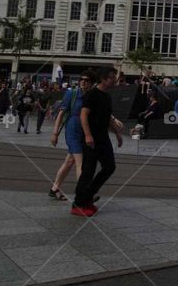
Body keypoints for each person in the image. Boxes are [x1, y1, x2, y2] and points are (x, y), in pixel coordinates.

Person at [72, 67, 123, 217]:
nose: (115, 79)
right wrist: (88, 135)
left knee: (110, 166)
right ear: (103, 78)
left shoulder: (106, 97)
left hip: (103, 138)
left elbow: (108, 118)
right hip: (91, 139)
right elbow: (83, 115)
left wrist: (118, 134)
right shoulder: (92, 94)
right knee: (88, 170)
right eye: (112, 77)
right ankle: (78, 203)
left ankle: (88, 196)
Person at [48, 75, 88, 201]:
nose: (83, 82)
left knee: (70, 161)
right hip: (72, 129)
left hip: (82, 131)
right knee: (80, 163)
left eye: (87, 80)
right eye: (82, 80)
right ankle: (83, 195)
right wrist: (55, 133)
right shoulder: (72, 94)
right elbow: (61, 113)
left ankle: (55, 189)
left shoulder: (91, 96)